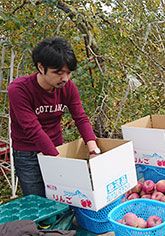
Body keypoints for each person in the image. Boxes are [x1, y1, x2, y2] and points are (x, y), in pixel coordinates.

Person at [9, 37, 100, 197]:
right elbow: (32, 129)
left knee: (62, 198)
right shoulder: (19, 90)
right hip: (28, 154)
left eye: (68, 73)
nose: (64, 78)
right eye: (58, 73)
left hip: (56, 147)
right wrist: (60, 163)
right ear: (41, 67)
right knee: (38, 202)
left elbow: (80, 117)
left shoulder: (69, 88)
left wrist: (94, 150)